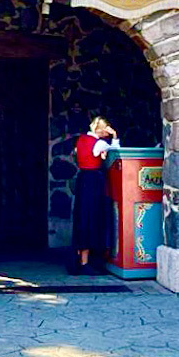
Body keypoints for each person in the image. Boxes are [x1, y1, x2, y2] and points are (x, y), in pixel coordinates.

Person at [70, 116, 119, 275]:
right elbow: (117, 152)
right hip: (93, 181)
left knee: (82, 216)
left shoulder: (81, 140)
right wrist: (115, 136)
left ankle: (80, 259)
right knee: (92, 217)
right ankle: (87, 261)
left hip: (82, 179)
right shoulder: (99, 143)